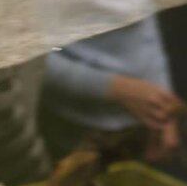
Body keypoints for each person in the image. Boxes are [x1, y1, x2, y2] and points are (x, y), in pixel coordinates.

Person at [39, 16, 182, 162]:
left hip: (140, 129)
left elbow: (144, 23)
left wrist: (164, 103)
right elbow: (28, 62)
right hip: (70, 130)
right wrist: (115, 88)